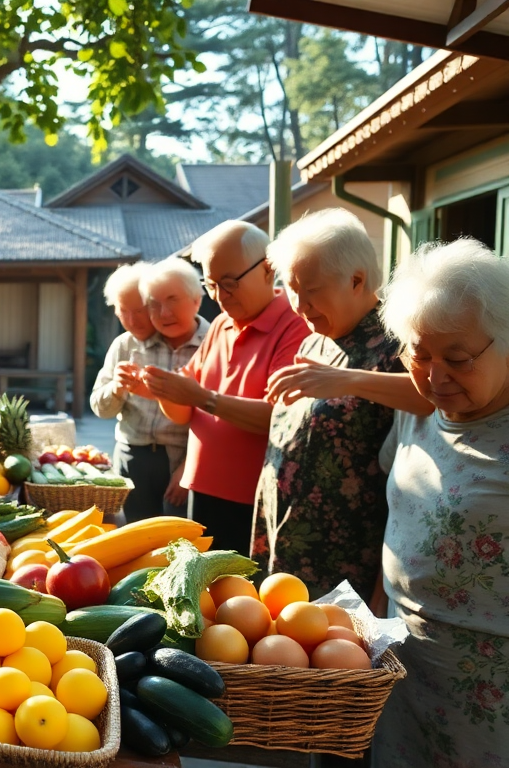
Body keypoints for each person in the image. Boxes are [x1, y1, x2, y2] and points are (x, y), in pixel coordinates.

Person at [370, 239, 509, 767]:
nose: (433, 376)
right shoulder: (418, 409)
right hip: (404, 663)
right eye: (418, 354)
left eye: (458, 358)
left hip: (489, 687)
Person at [250, 210, 408, 603]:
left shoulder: (398, 343)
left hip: (344, 558)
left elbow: (430, 396)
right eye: (292, 289)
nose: (300, 305)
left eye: (312, 290)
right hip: (284, 538)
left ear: (356, 280)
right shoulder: (314, 341)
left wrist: (348, 379)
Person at [137, 221, 310, 556]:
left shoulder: (293, 324)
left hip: (254, 494)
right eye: (212, 285)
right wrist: (162, 389)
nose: (219, 296)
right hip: (203, 485)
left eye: (229, 284)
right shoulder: (220, 324)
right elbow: (184, 410)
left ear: (267, 269)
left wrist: (201, 397)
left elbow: (280, 417)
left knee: (242, 599)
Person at [90, 261, 207, 521]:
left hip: (181, 456)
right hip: (133, 453)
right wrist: (118, 389)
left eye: (141, 310)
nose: (132, 320)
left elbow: (210, 415)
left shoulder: (208, 341)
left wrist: (189, 465)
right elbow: (99, 407)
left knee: (180, 534)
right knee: (137, 532)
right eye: (123, 312)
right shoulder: (125, 345)